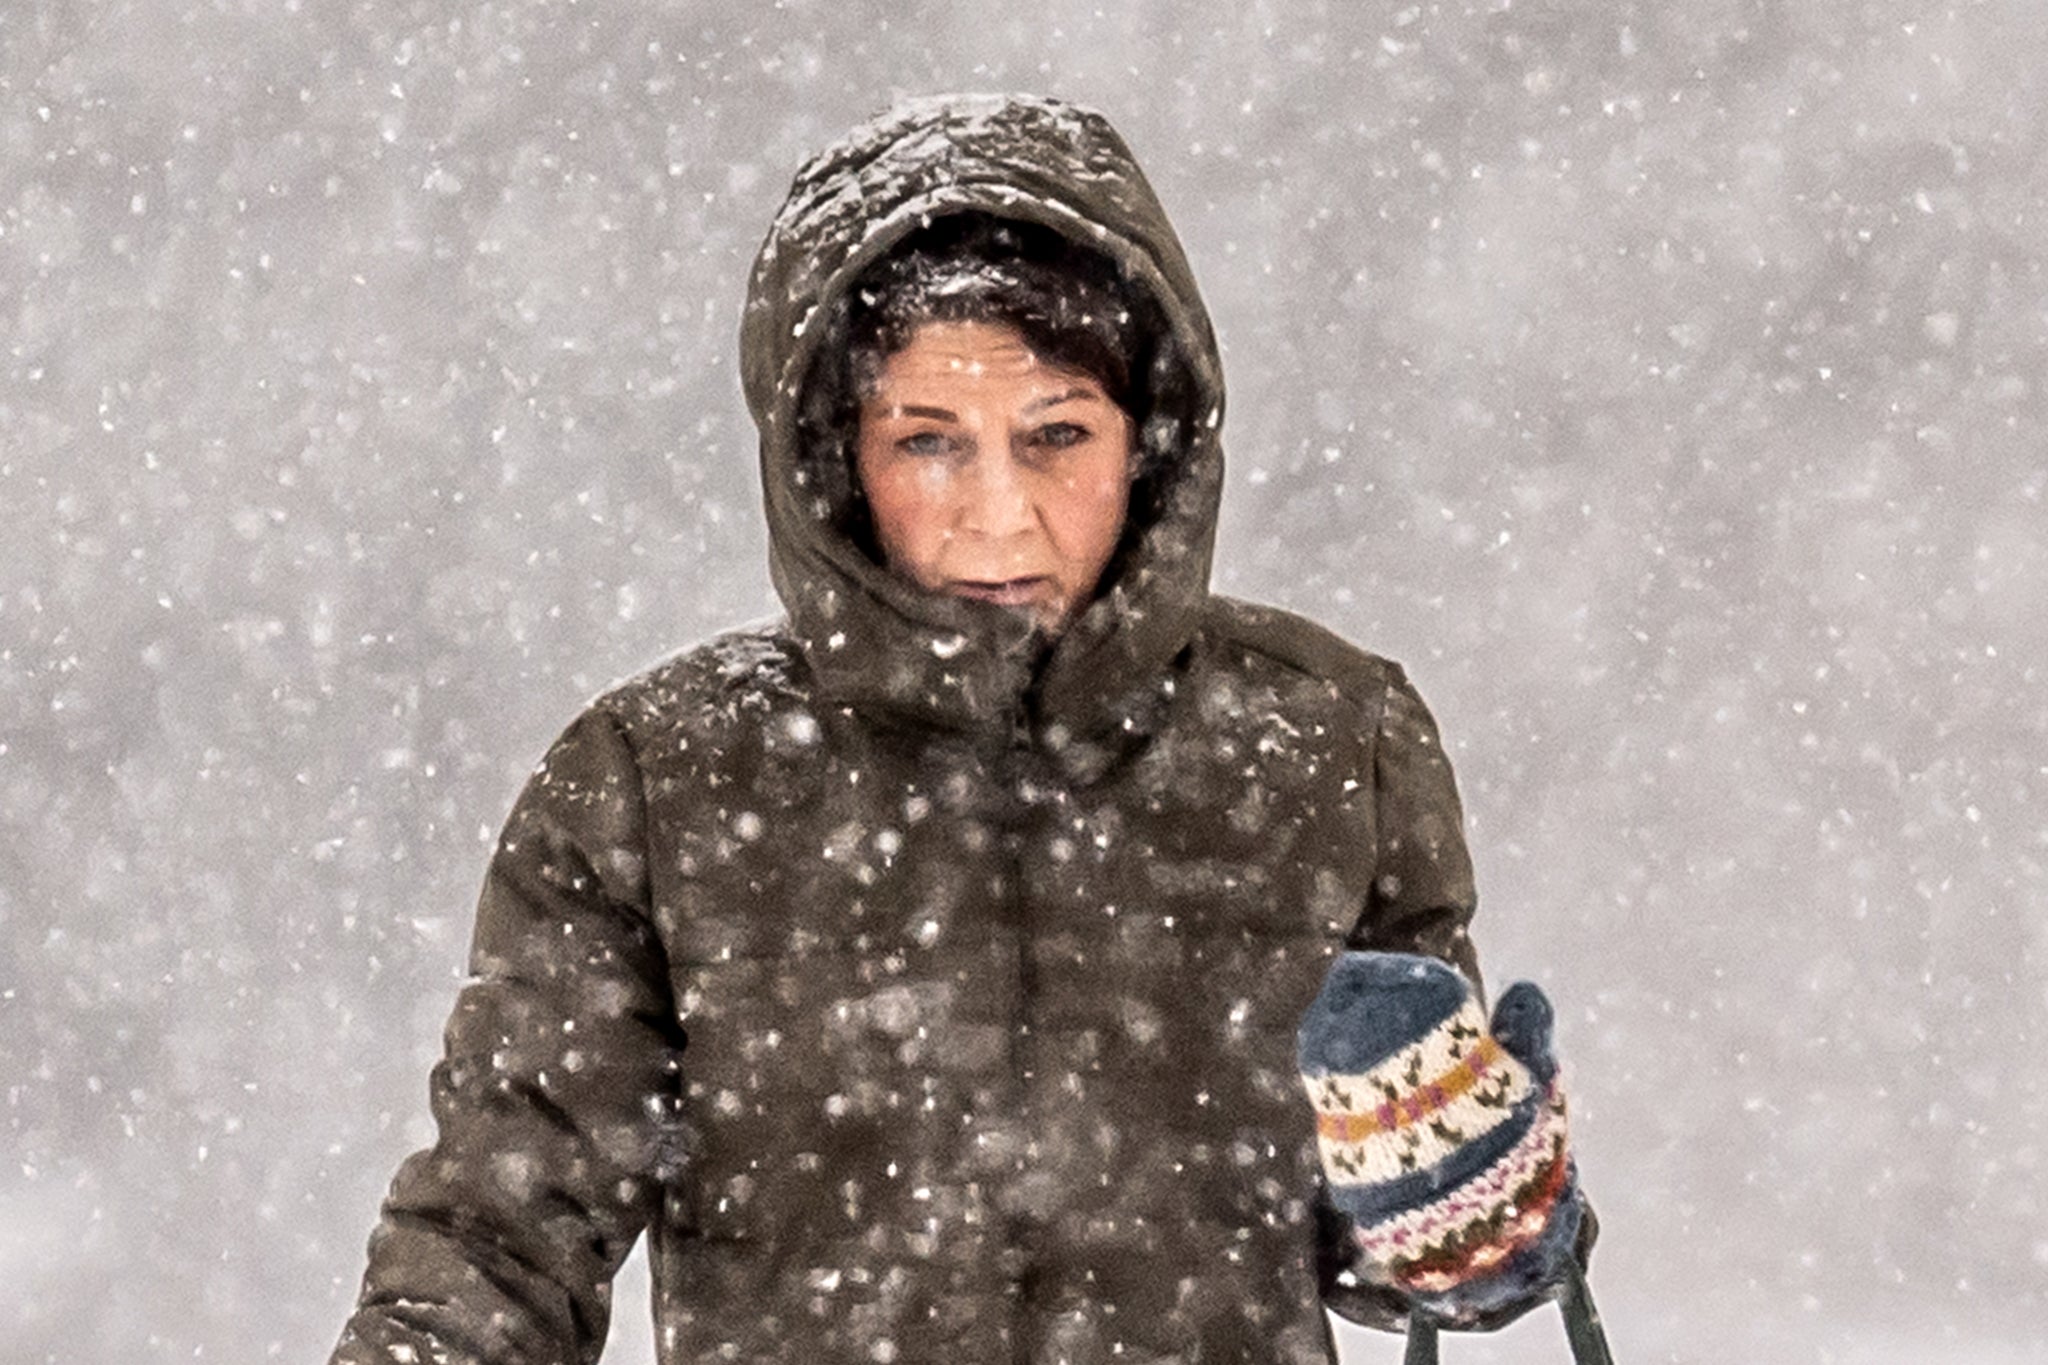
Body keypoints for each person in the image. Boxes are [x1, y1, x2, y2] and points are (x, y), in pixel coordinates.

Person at [330, 92, 1496, 1365]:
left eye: (1056, 434)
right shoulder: (656, 785)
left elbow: (1410, 1250)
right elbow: (499, 1240)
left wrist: (1471, 1202)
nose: (999, 514)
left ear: (1150, 441)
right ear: (833, 457)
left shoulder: (1321, 743)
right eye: (928, 441)